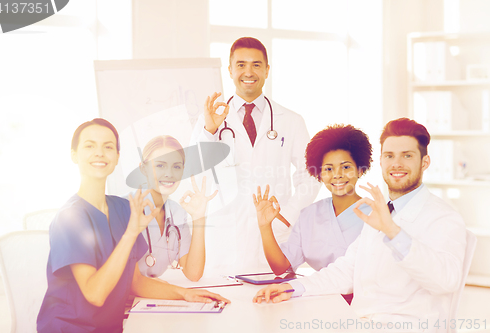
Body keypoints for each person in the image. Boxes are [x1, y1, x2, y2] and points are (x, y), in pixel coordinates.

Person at [253, 118, 467, 331]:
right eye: (389, 156)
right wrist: (292, 287)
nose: (397, 163)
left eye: (407, 156)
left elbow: (446, 281)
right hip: (358, 322)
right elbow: (346, 271)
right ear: (381, 162)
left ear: (425, 162)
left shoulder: (443, 217)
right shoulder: (381, 214)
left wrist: (392, 232)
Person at [37, 119, 229, 333]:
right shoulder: (70, 218)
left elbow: (136, 282)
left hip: (113, 327)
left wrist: (185, 294)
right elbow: (95, 294)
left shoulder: (122, 209)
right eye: (90, 145)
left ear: (117, 157)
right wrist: (130, 233)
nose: (99, 153)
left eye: (108, 146)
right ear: (74, 154)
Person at [190, 37, 320, 272]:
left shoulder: (290, 121)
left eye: (256, 65)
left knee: (272, 304)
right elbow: (195, 173)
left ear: (267, 70)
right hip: (223, 242)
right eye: (240, 64)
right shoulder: (208, 120)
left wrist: (287, 216)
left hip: (272, 238)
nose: (248, 72)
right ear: (230, 70)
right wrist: (210, 131)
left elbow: (311, 175)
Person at [253, 124, 372, 304]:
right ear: (319, 174)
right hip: (318, 298)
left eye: (346, 167)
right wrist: (265, 227)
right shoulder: (309, 215)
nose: (337, 175)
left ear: (360, 169)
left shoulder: (377, 215)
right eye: (328, 169)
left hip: (363, 304)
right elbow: (280, 267)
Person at [137, 135, 216, 281]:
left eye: (176, 167)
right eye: (160, 165)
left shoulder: (177, 213)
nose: (169, 173)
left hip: (153, 299)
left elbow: (193, 273)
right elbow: (132, 282)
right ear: (144, 169)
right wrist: (184, 294)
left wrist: (199, 218)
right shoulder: (124, 208)